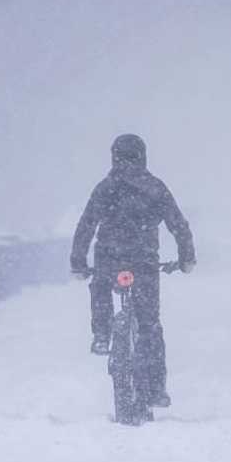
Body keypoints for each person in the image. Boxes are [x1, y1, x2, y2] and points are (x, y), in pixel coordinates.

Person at [71, 133, 196, 408]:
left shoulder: (105, 188)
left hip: (109, 258)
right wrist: (186, 258)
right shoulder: (155, 188)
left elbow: (86, 225)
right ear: (143, 156)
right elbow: (178, 224)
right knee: (150, 323)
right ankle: (156, 388)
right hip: (144, 261)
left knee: (101, 289)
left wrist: (78, 263)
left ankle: (102, 335)